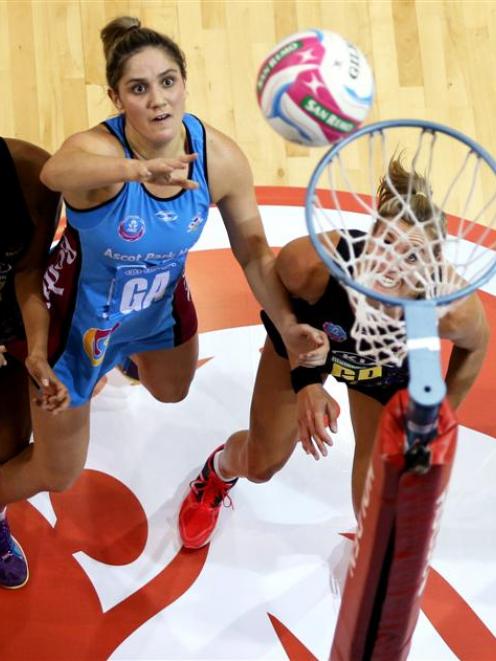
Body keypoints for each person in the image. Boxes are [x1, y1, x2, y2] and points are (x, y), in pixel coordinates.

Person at [0, 16, 327, 542]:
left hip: (155, 305)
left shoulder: (217, 157)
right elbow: (55, 173)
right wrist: (137, 171)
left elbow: (254, 255)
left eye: (168, 81)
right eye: (139, 88)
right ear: (116, 97)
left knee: (173, 390)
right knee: (56, 474)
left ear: (184, 82)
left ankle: (124, 357)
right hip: (78, 322)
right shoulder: (102, 156)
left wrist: (287, 325)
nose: (158, 100)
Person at [178, 157, 490, 549]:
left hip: (384, 372)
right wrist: (305, 378)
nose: (390, 264)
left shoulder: (452, 306)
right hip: (310, 339)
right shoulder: (312, 263)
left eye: (410, 256)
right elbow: (279, 306)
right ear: (371, 233)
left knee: (377, 506)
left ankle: (368, 566)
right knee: (262, 463)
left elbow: (475, 346)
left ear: (433, 265)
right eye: (386, 241)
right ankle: (218, 472)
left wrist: (437, 419)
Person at [0, 137, 67, 588]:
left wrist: (38, 349)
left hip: (10, 321)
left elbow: (28, 270)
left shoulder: (28, 174)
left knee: (9, 446)